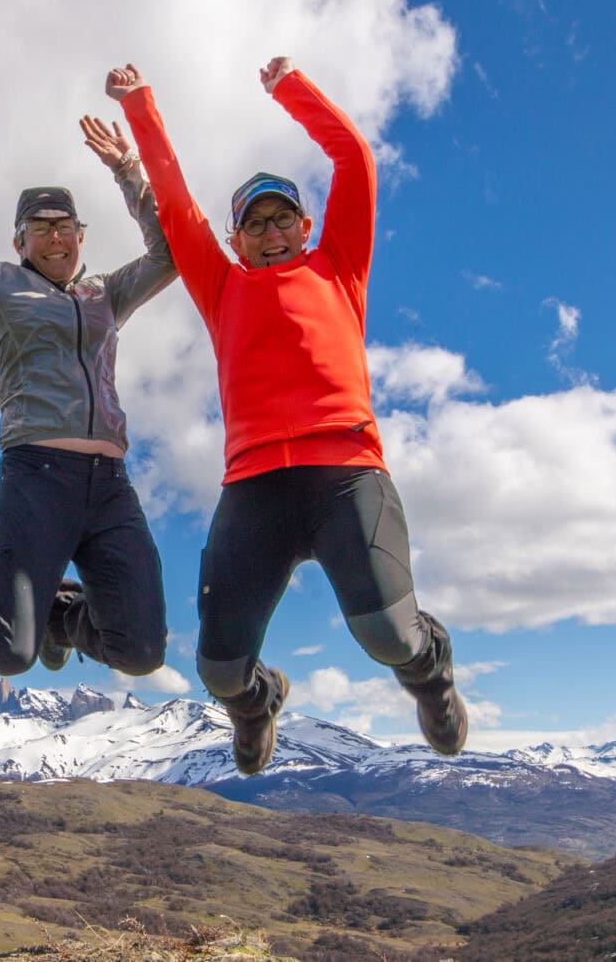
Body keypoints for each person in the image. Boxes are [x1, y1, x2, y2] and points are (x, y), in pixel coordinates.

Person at [106, 58, 468, 774]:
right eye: (253, 223)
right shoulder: (222, 288)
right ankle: (258, 701)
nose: (270, 233)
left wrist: (289, 90)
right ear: (237, 238)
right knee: (217, 668)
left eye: (281, 220)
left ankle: (433, 674)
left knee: (390, 636)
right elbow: (176, 204)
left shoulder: (338, 267)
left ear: (305, 225)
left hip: (347, 475)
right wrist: (140, 106)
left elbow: (355, 158)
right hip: (255, 487)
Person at [0, 119, 176, 678]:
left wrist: (128, 172)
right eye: (40, 228)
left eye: (66, 226)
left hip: (110, 485)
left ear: (80, 235)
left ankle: (61, 617)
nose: (55, 237)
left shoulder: (105, 293)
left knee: (142, 652)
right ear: (19, 240)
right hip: (37, 477)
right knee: (7, 654)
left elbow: (171, 253)